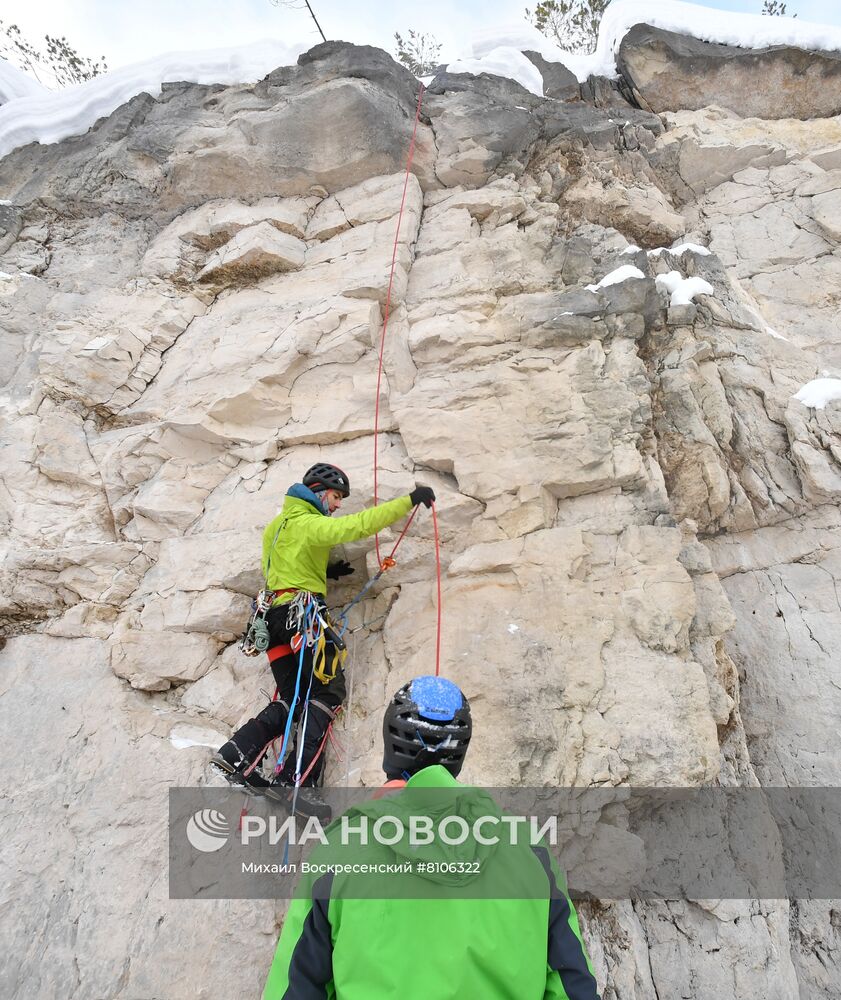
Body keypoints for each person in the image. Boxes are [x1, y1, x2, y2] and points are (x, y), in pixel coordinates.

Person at [263, 675, 601, 1000]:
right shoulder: (529, 852)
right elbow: (573, 986)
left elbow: (297, 988)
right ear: (459, 753)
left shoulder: (340, 853)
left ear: (389, 745)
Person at [210, 462, 435, 796]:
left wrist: (324, 571)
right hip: (302, 617)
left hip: (271, 620)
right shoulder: (310, 522)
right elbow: (356, 526)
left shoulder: (277, 525)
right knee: (328, 692)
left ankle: (235, 754)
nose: (338, 504)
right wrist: (409, 500)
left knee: (294, 699)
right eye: (335, 496)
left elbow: (281, 566)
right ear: (317, 492)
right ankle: (296, 782)